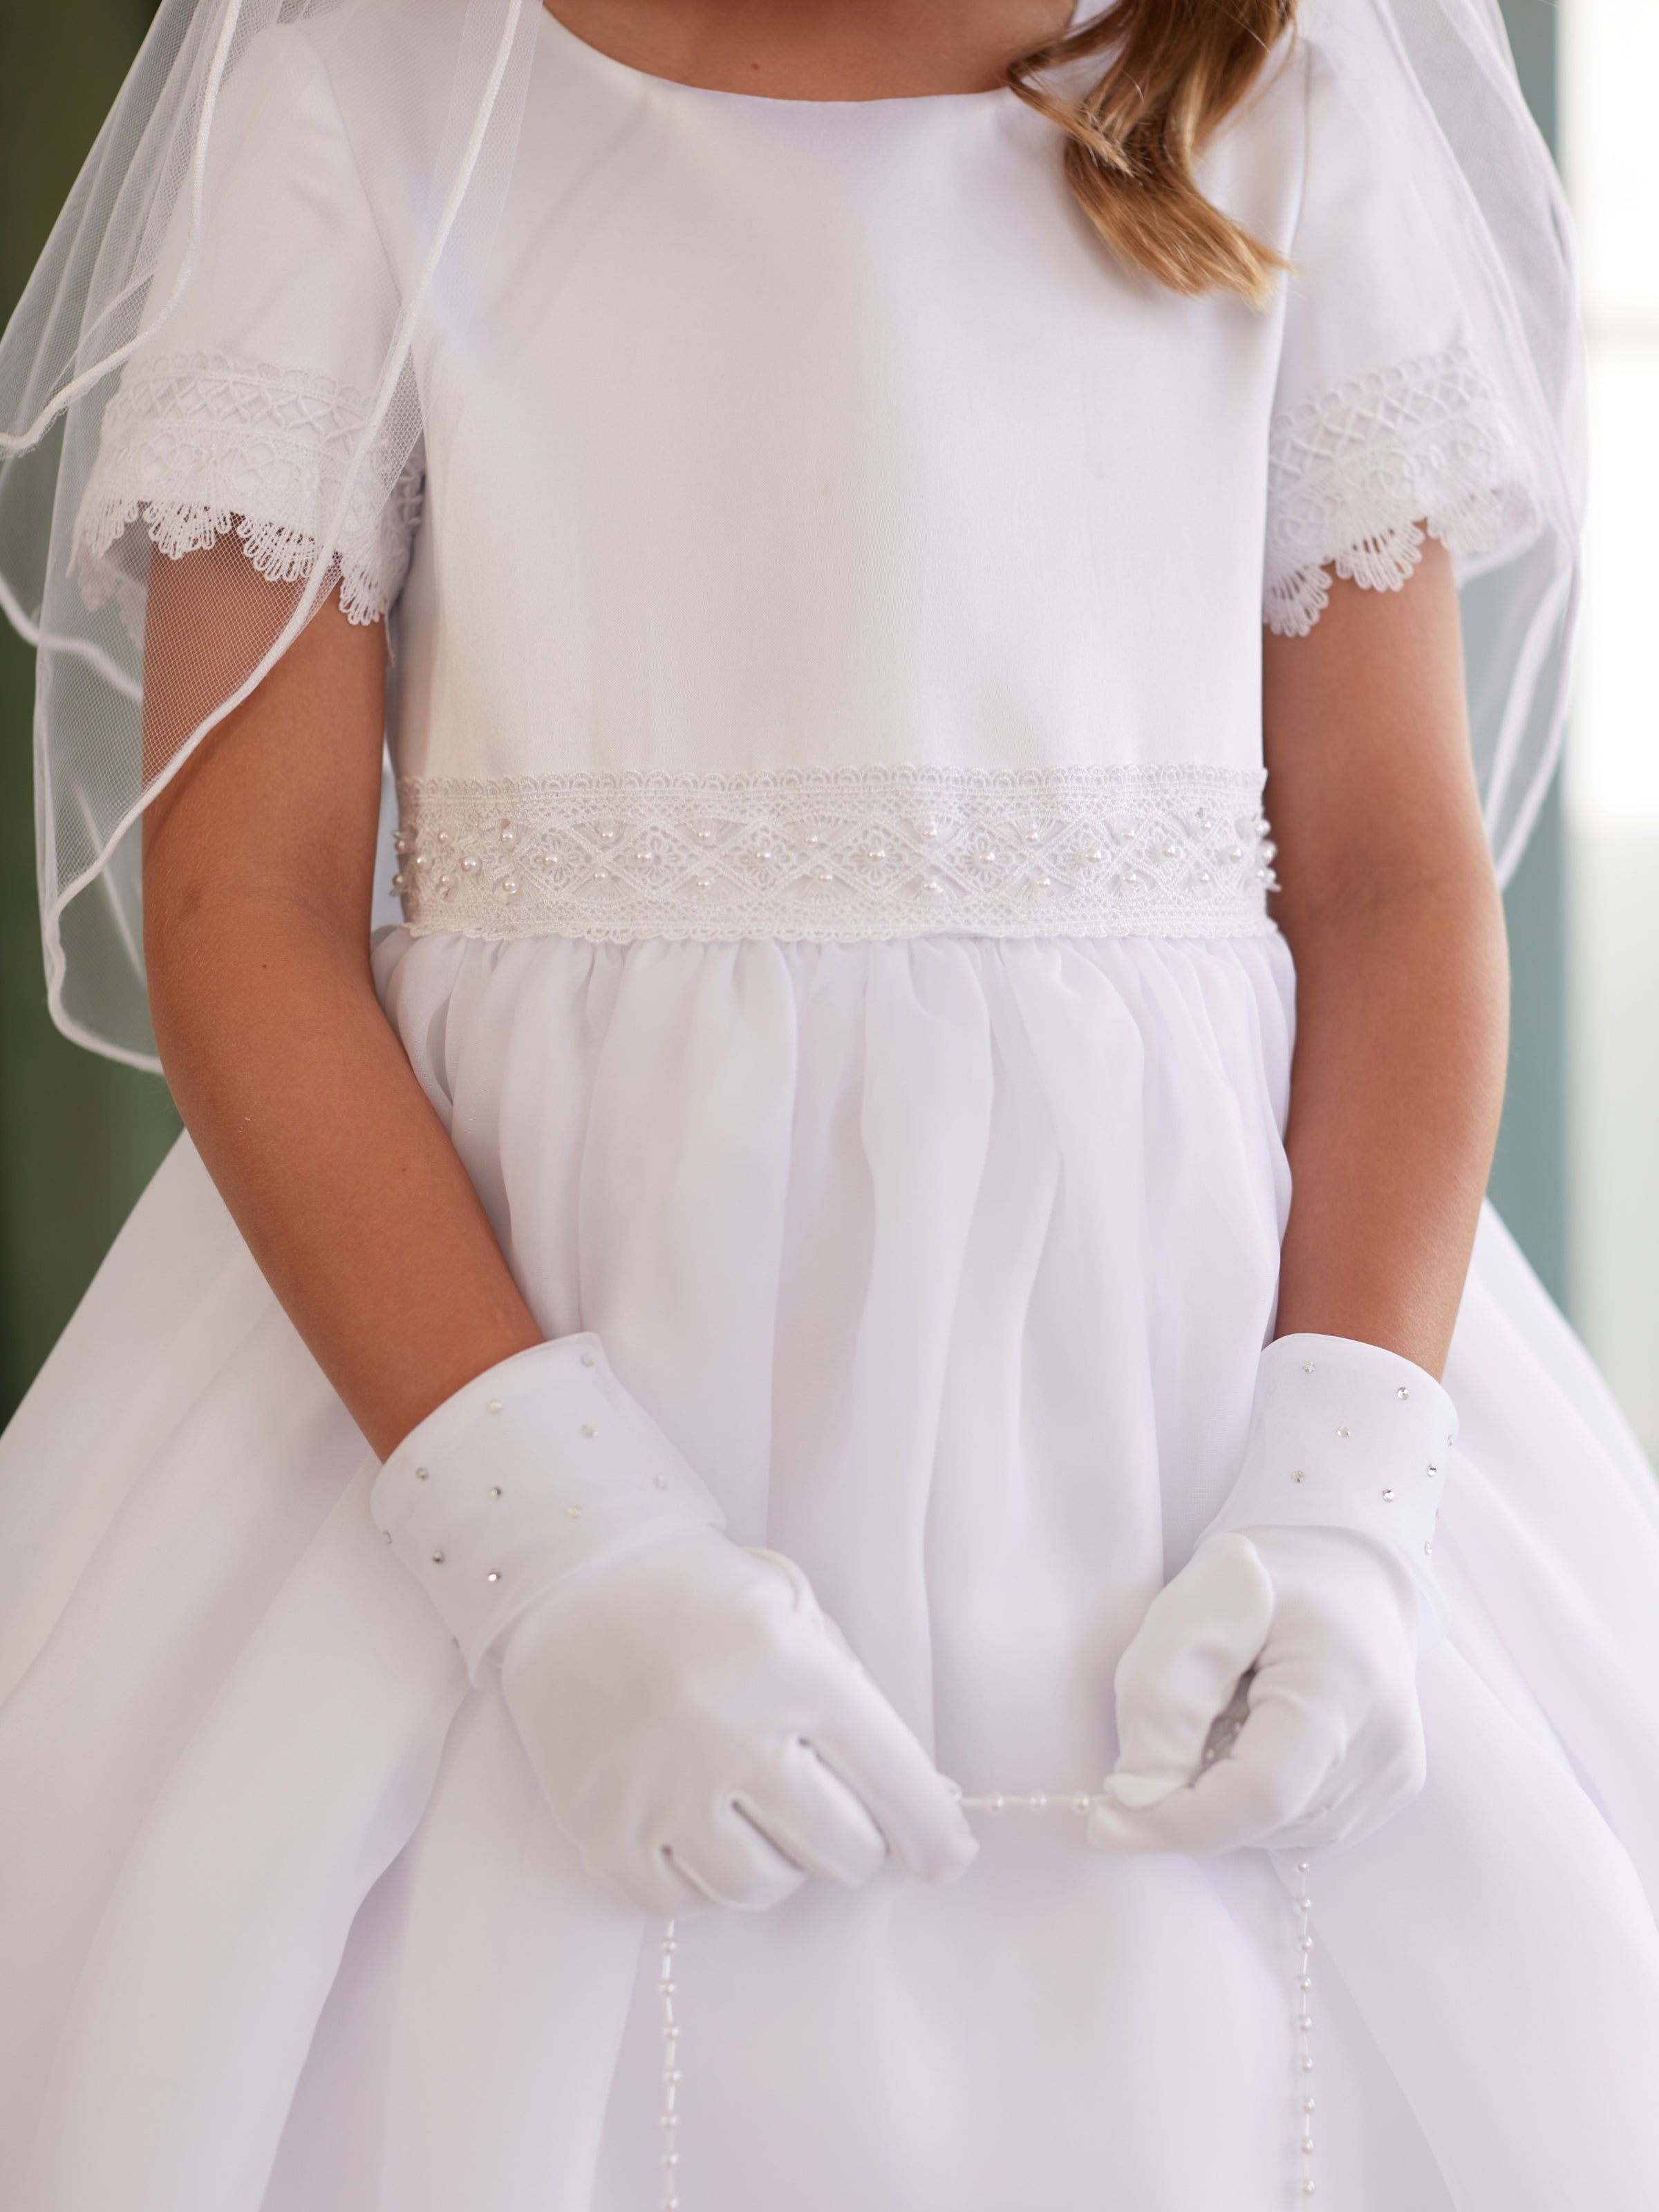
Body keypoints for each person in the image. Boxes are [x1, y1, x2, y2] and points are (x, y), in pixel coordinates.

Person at [2, 0, 1658, 2205]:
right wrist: (547, 1546)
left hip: (1186, 1383)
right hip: (493, 1335)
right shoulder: (373, 106)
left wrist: (1350, 1488)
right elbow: (245, 902)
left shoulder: (1287, 110)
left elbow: (1394, 880)